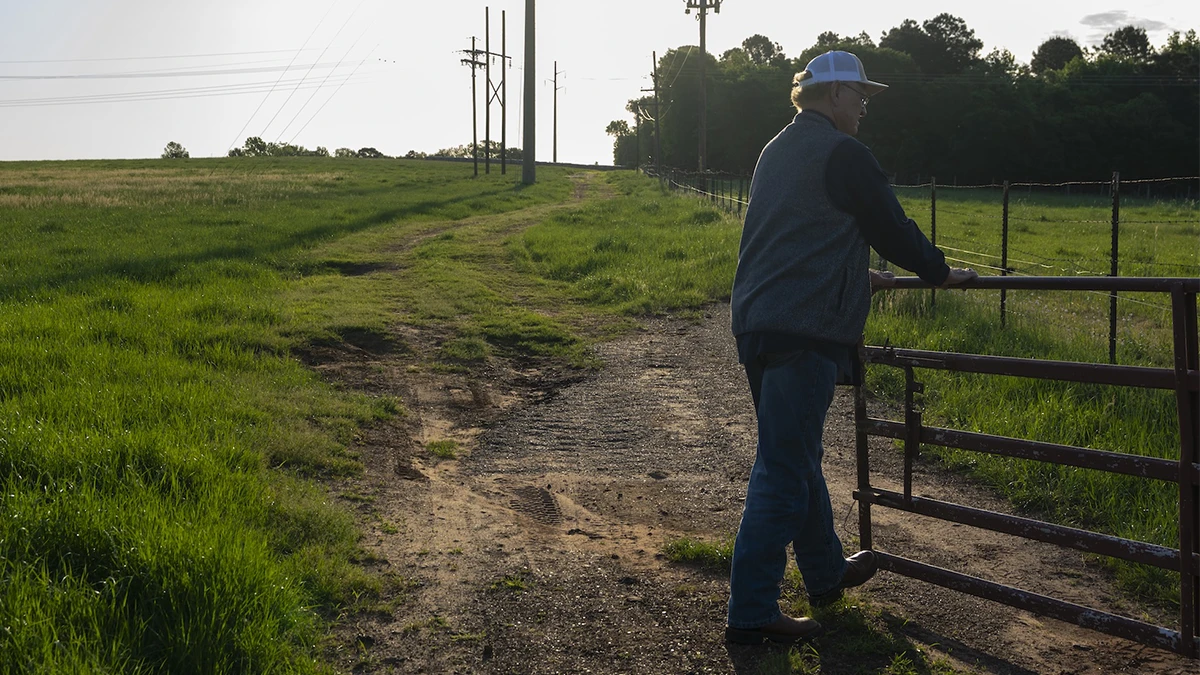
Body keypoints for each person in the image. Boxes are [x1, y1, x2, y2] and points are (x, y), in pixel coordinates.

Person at [725, 50, 977, 645]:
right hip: (803, 331)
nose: (864, 107)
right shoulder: (844, 153)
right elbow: (889, 225)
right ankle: (752, 612)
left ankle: (826, 574)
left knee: (798, 456)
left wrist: (853, 272)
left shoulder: (775, 150)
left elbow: (800, 234)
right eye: (860, 95)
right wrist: (937, 273)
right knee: (784, 470)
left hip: (759, 324)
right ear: (834, 94)